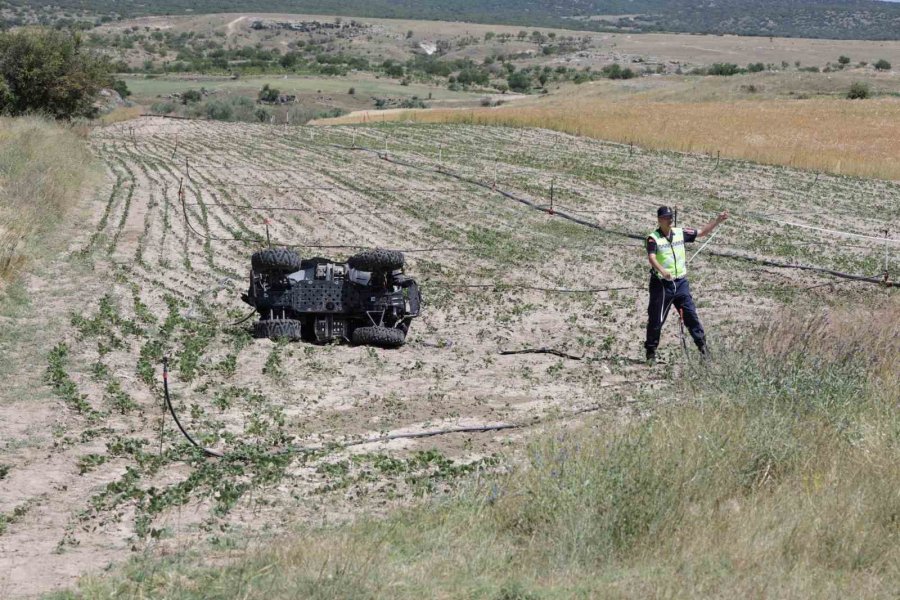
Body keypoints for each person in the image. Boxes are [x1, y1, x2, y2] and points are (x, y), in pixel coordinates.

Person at [644, 206, 728, 363]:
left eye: (671, 217)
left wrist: (717, 220)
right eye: (666, 218)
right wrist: (663, 271)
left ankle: (704, 351)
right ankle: (650, 351)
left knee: (691, 316)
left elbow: (702, 232)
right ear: (660, 219)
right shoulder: (652, 238)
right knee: (656, 319)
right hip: (662, 285)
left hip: (681, 283)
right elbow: (652, 257)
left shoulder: (679, 233)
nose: (670, 220)